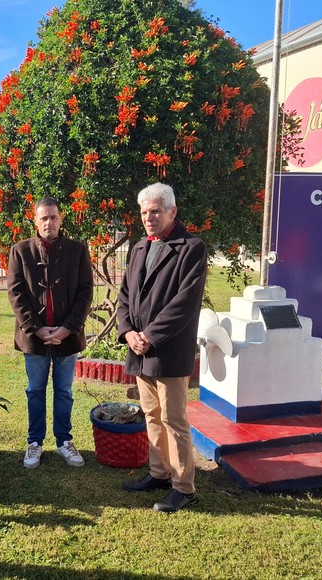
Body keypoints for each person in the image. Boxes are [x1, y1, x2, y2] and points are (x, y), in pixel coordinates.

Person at [117, 182, 207, 513]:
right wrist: (128, 332)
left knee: (174, 418)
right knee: (151, 414)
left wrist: (150, 336)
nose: (149, 217)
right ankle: (159, 472)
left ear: (172, 211)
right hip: (139, 348)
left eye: (155, 211)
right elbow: (125, 295)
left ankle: (184, 488)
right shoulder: (140, 247)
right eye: (144, 212)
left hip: (167, 350)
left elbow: (184, 304)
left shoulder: (191, 247)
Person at [7, 197, 93, 469]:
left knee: (64, 391)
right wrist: (36, 327)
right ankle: (34, 442)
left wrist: (68, 328)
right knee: (35, 390)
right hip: (35, 337)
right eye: (43, 218)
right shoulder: (21, 251)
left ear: (61, 219)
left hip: (67, 337)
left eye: (53, 217)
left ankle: (64, 440)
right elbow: (16, 293)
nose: (49, 223)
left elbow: (85, 293)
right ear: (35, 221)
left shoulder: (77, 251)